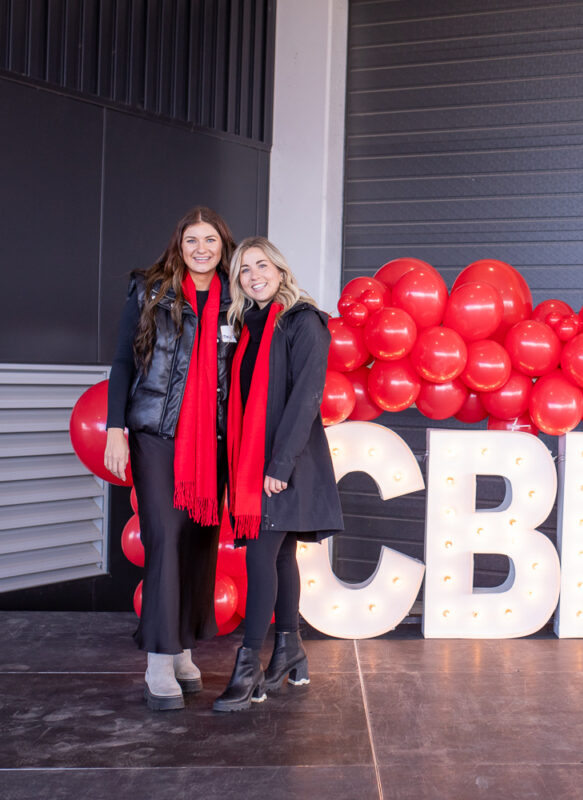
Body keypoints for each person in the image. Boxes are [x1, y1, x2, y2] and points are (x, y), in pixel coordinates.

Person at [104, 207, 237, 710]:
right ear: (178, 244)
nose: (201, 248)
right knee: (166, 536)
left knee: (200, 540)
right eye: (191, 239)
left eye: (210, 240)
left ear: (224, 245)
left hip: (214, 440)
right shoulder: (149, 289)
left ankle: (183, 649)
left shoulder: (237, 299)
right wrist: (116, 428)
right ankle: (158, 662)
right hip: (156, 434)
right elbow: (122, 361)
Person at [213, 237, 344, 712]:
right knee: (282, 555)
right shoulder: (247, 326)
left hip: (284, 463)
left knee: (260, 558)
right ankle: (289, 650)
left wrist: (279, 467)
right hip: (257, 460)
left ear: (280, 269)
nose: (253, 276)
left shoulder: (303, 322)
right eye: (244, 270)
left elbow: (306, 398)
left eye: (261, 265)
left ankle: (248, 668)